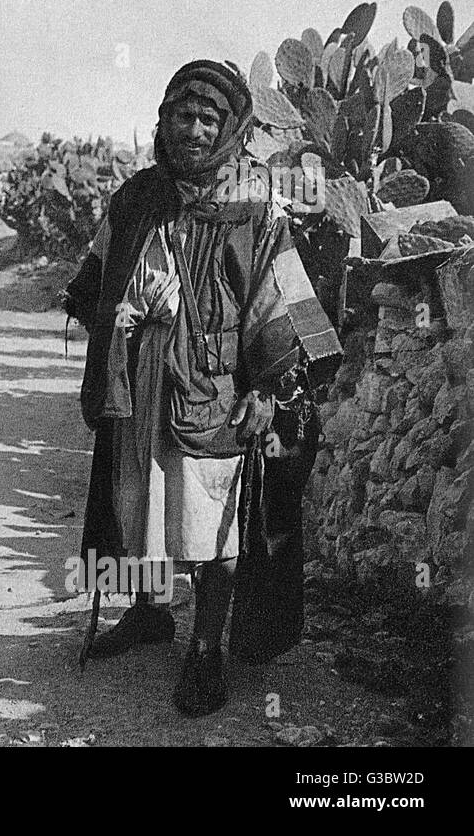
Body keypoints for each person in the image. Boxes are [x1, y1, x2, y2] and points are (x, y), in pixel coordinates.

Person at [60, 59, 342, 717]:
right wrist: (114, 322)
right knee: (141, 509)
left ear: (233, 127)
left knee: (210, 531)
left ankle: (206, 650)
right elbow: (98, 274)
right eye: (182, 115)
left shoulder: (257, 207)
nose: (192, 127)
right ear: (163, 120)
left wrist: (268, 390)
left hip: (214, 391)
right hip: (139, 390)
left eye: (208, 118)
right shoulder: (136, 198)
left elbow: (283, 302)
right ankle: (150, 611)